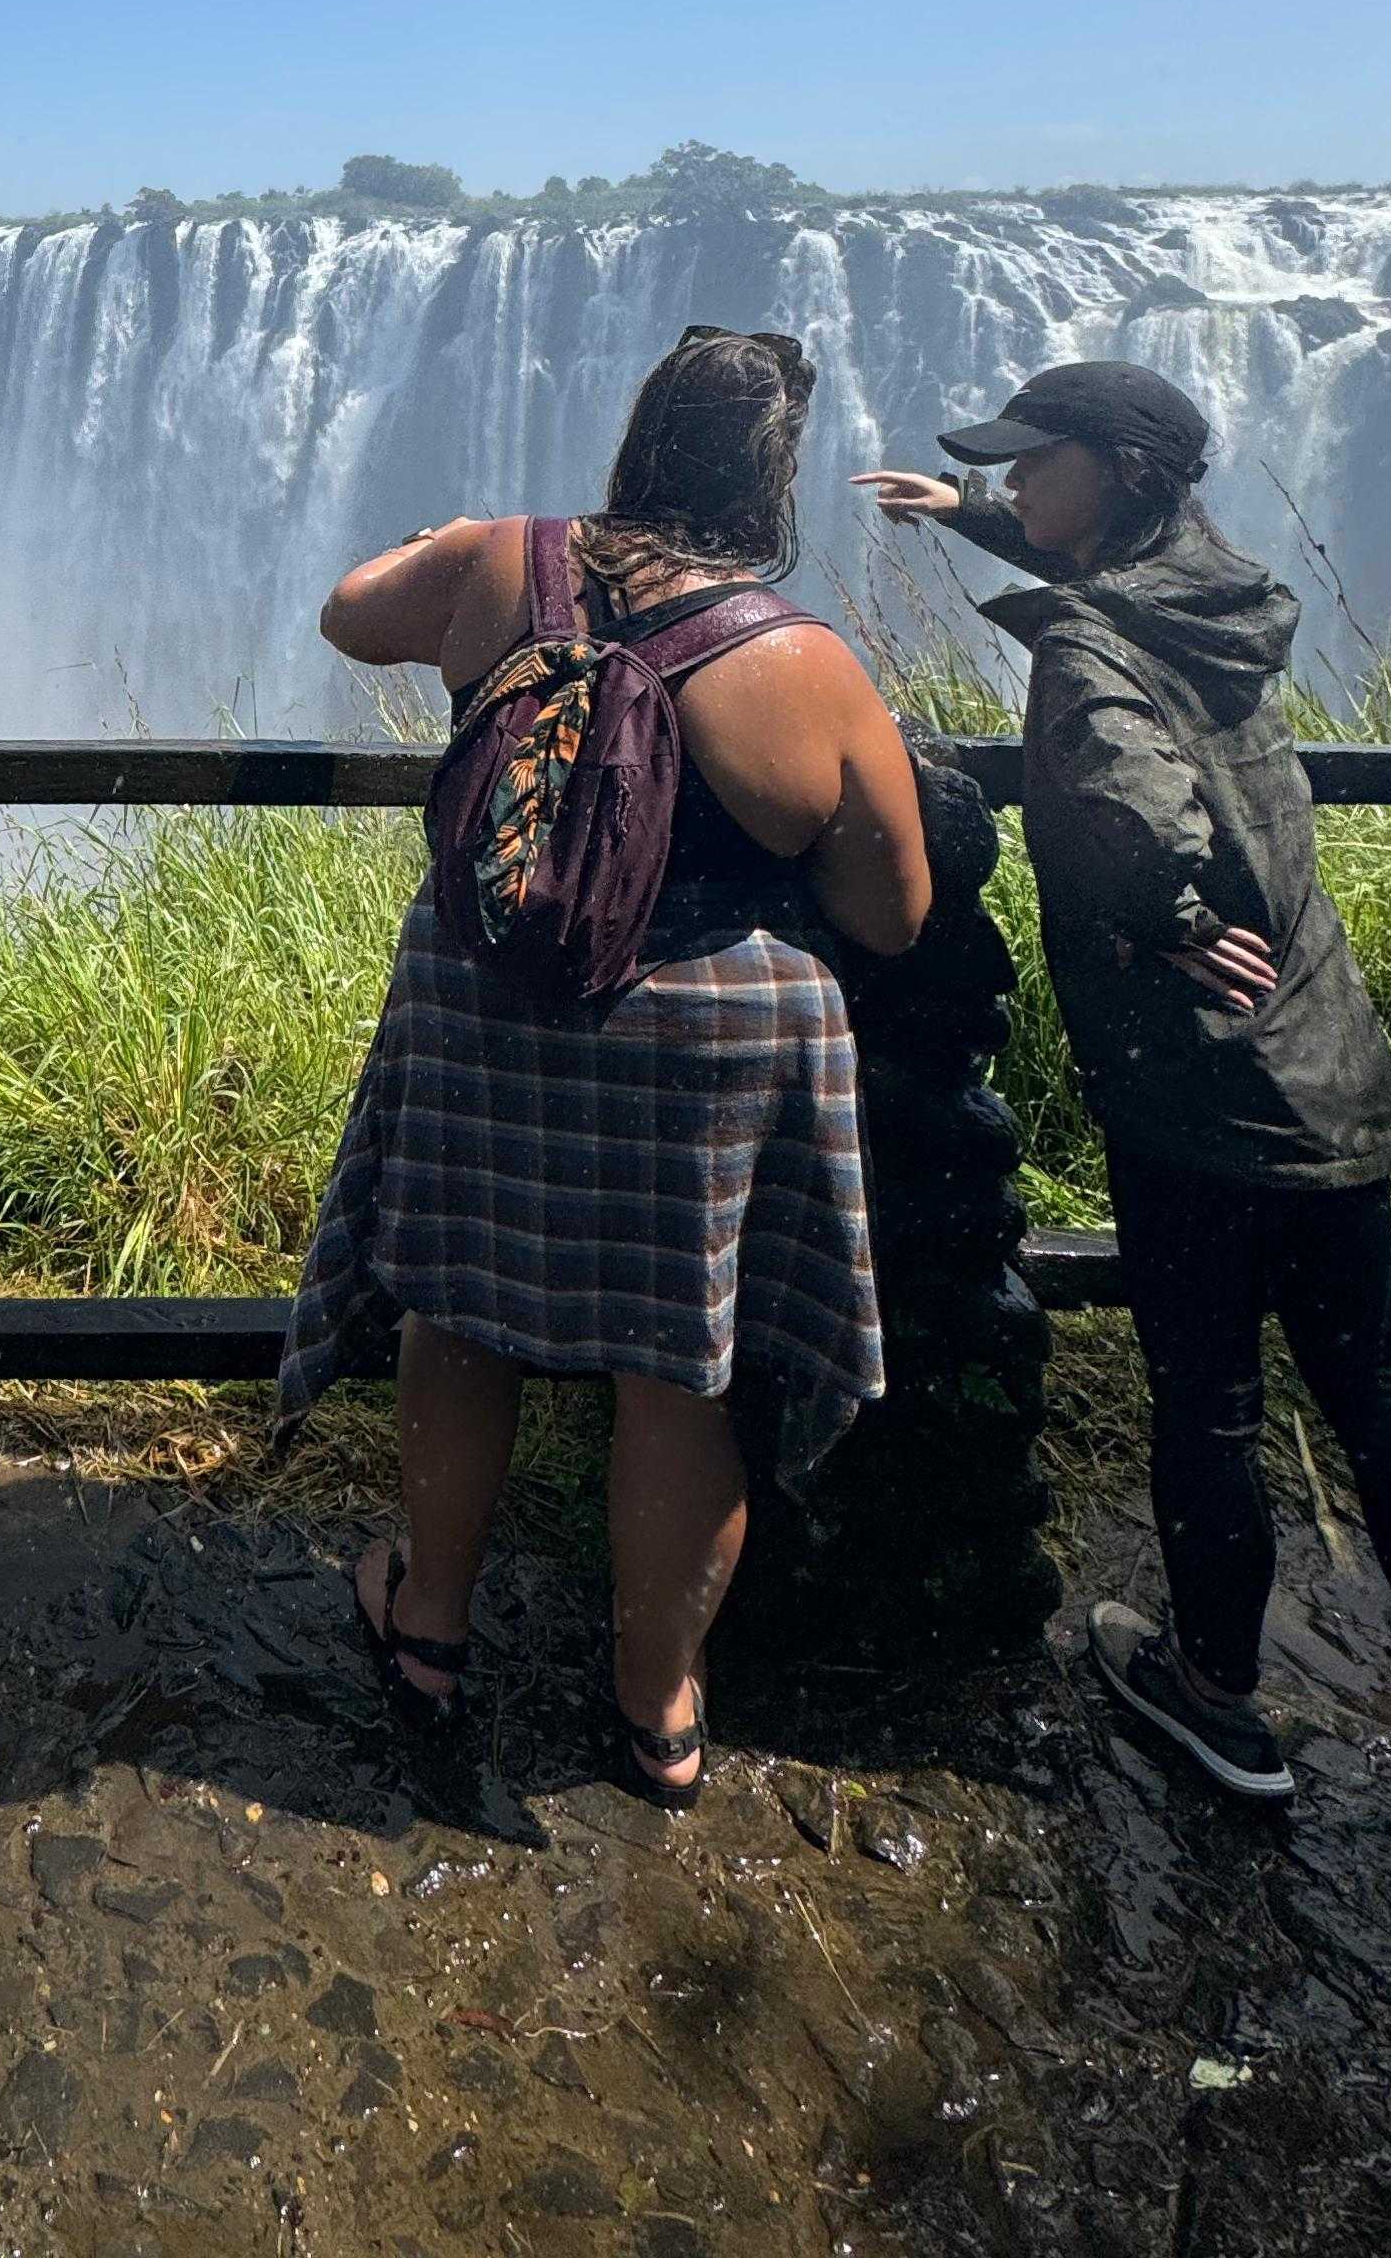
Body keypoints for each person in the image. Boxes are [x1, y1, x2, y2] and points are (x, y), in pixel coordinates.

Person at [279, 328, 930, 1822]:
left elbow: (344, 616)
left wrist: (443, 541)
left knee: (457, 1311)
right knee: (678, 1371)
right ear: (772, 480)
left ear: (641, 437)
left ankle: (428, 1626)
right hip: (703, 1038)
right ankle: (658, 1709)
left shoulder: (506, 560)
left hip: (489, 994)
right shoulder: (804, 660)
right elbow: (892, 911)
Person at [861, 361, 1391, 1801]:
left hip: (1206, 1107)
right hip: (1324, 1072)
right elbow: (1126, 580)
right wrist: (973, 515)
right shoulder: (1220, 588)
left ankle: (1217, 1701)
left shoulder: (1091, 647)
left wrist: (1168, 914)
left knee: (1210, 1400)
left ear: (1112, 470)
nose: (1016, 481)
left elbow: (1121, 790)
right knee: (1377, 1399)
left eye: (1032, 465)